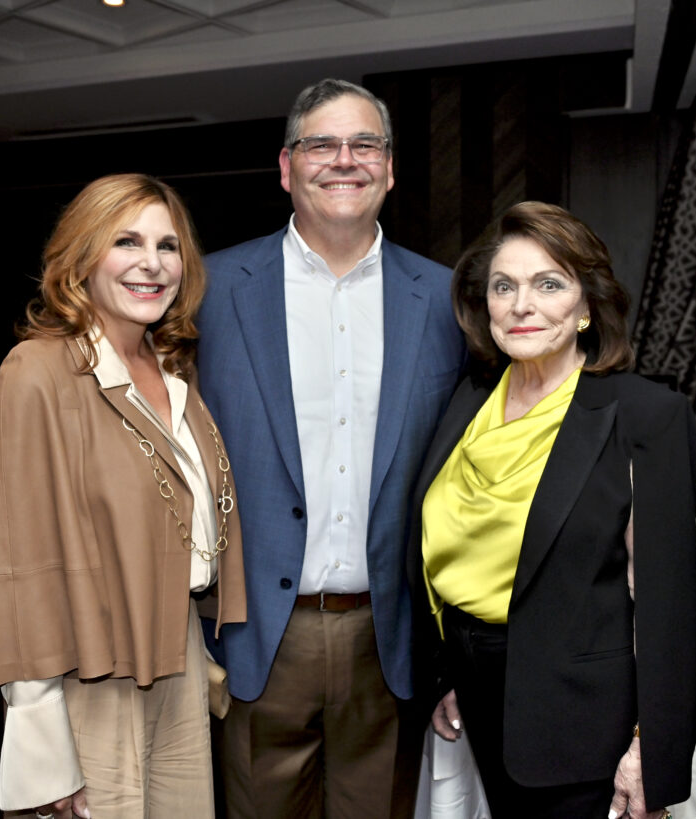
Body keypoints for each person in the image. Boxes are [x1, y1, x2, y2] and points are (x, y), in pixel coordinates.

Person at [196, 78, 465, 818]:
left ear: (389, 166)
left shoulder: (446, 300)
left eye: (365, 144)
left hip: (390, 640)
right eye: (322, 143)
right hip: (255, 640)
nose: (344, 160)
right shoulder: (209, 290)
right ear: (287, 167)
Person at [409, 201, 696, 819]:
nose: (522, 305)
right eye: (504, 286)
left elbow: (668, 607)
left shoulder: (643, 414)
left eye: (549, 284)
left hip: (585, 729)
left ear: (587, 306)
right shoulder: (469, 400)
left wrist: (650, 751)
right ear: (483, 304)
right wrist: (448, 673)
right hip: (483, 702)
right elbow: (449, 551)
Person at [0, 173, 245, 819]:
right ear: (83, 257)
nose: (152, 263)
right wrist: (42, 745)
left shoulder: (172, 369)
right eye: (127, 241)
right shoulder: (38, 370)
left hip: (174, 651)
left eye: (168, 246)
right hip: (89, 669)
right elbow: (17, 559)